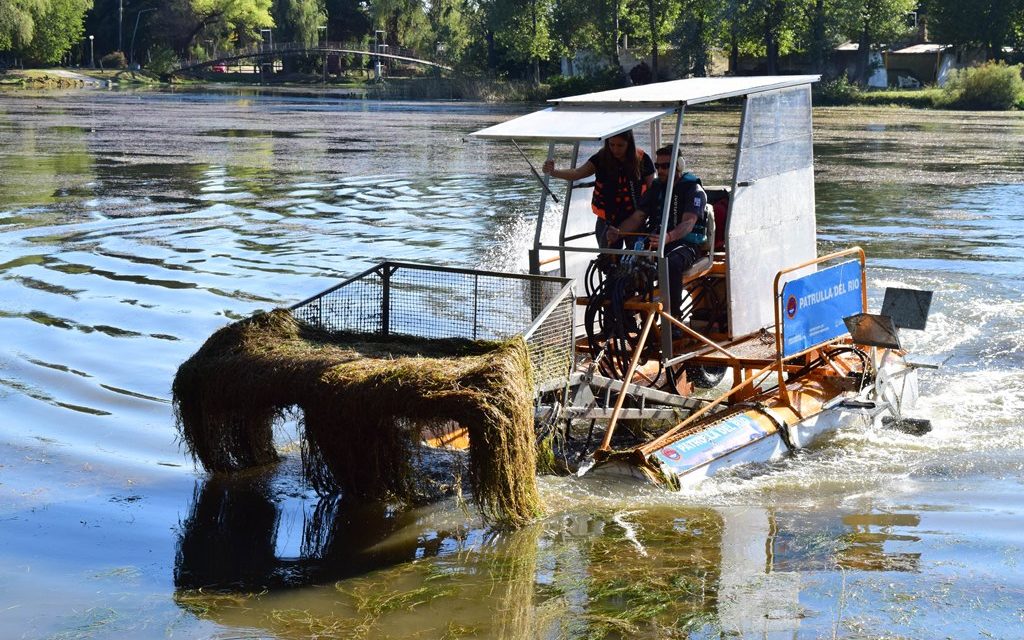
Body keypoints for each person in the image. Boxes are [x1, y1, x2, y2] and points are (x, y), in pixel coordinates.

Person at [606, 145, 708, 324]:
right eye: (657, 166)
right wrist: (619, 232)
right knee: (623, 261)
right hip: (656, 240)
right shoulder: (656, 188)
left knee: (670, 263)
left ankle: (673, 320)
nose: (660, 170)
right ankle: (621, 318)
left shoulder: (693, 190)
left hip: (685, 245)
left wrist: (668, 237)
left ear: (679, 165)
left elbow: (688, 223)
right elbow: (638, 217)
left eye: (666, 166)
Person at [542, 131, 655, 248]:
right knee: (607, 261)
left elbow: (652, 189)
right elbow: (577, 173)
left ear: (629, 144)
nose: (616, 150)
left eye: (620, 145)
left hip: (634, 219)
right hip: (607, 220)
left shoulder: (642, 159)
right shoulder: (601, 158)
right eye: (612, 145)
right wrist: (554, 172)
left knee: (636, 258)